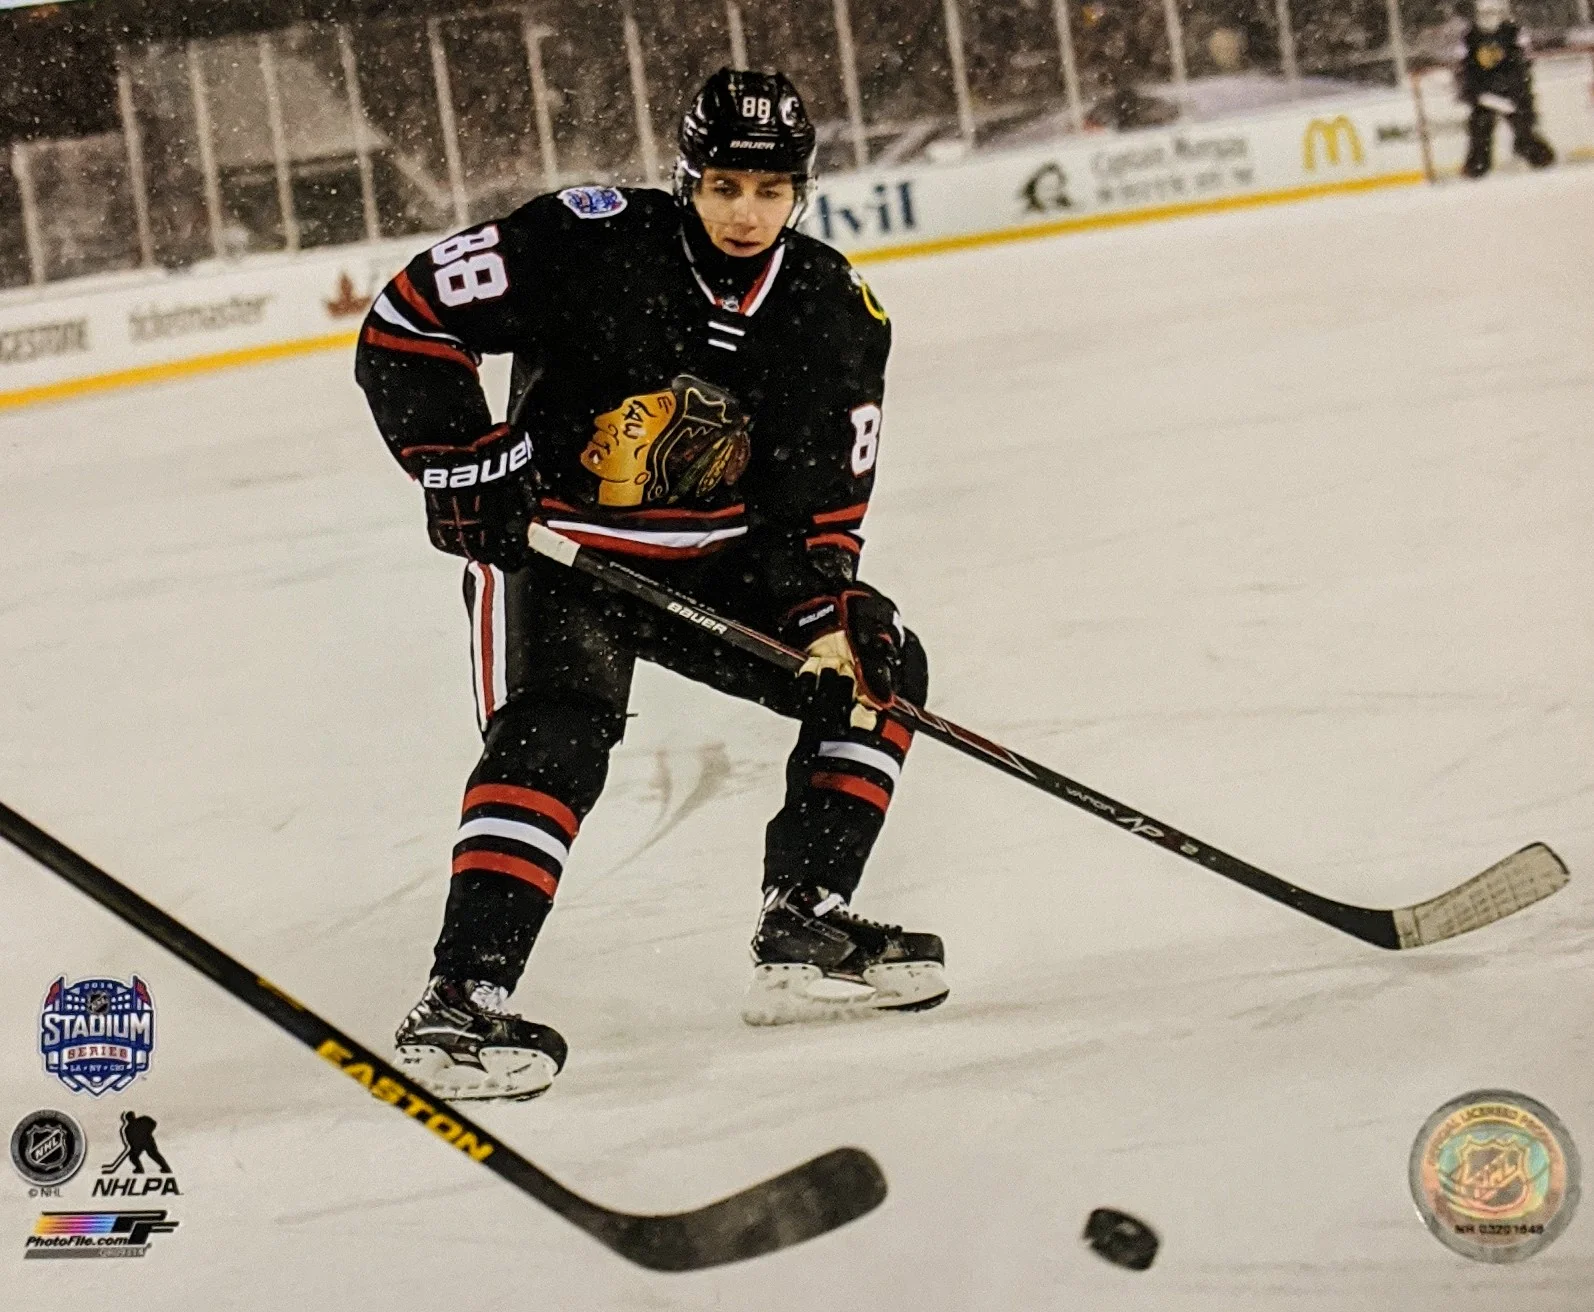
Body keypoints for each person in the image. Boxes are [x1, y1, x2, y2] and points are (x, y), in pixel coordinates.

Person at [354, 69, 947, 1102]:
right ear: (686, 179)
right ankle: (461, 997)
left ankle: (804, 915)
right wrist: (460, 460)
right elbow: (406, 323)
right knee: (558, 727)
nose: (746, 213)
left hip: (716, 561)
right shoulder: (586, 245)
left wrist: (831, 602)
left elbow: (817, 504)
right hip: (556, 551)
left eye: (769, 192)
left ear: (800, 191)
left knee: (877, 667)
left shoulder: (830, 307)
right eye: (724, 187)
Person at [1457, 0, 1554, 177]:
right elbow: (1467, 69)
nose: (1490, 18)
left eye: (1494, 12)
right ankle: (1476, 167)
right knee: (1479, 129)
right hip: (1485, 93)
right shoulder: (1470, 37)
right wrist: (1475, 92)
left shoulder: (1514, 33)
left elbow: (1521, 65)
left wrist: (1514, 91)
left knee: (1524, 127)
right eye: (1485, 13)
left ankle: (1539, 157)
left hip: (1512, 92)